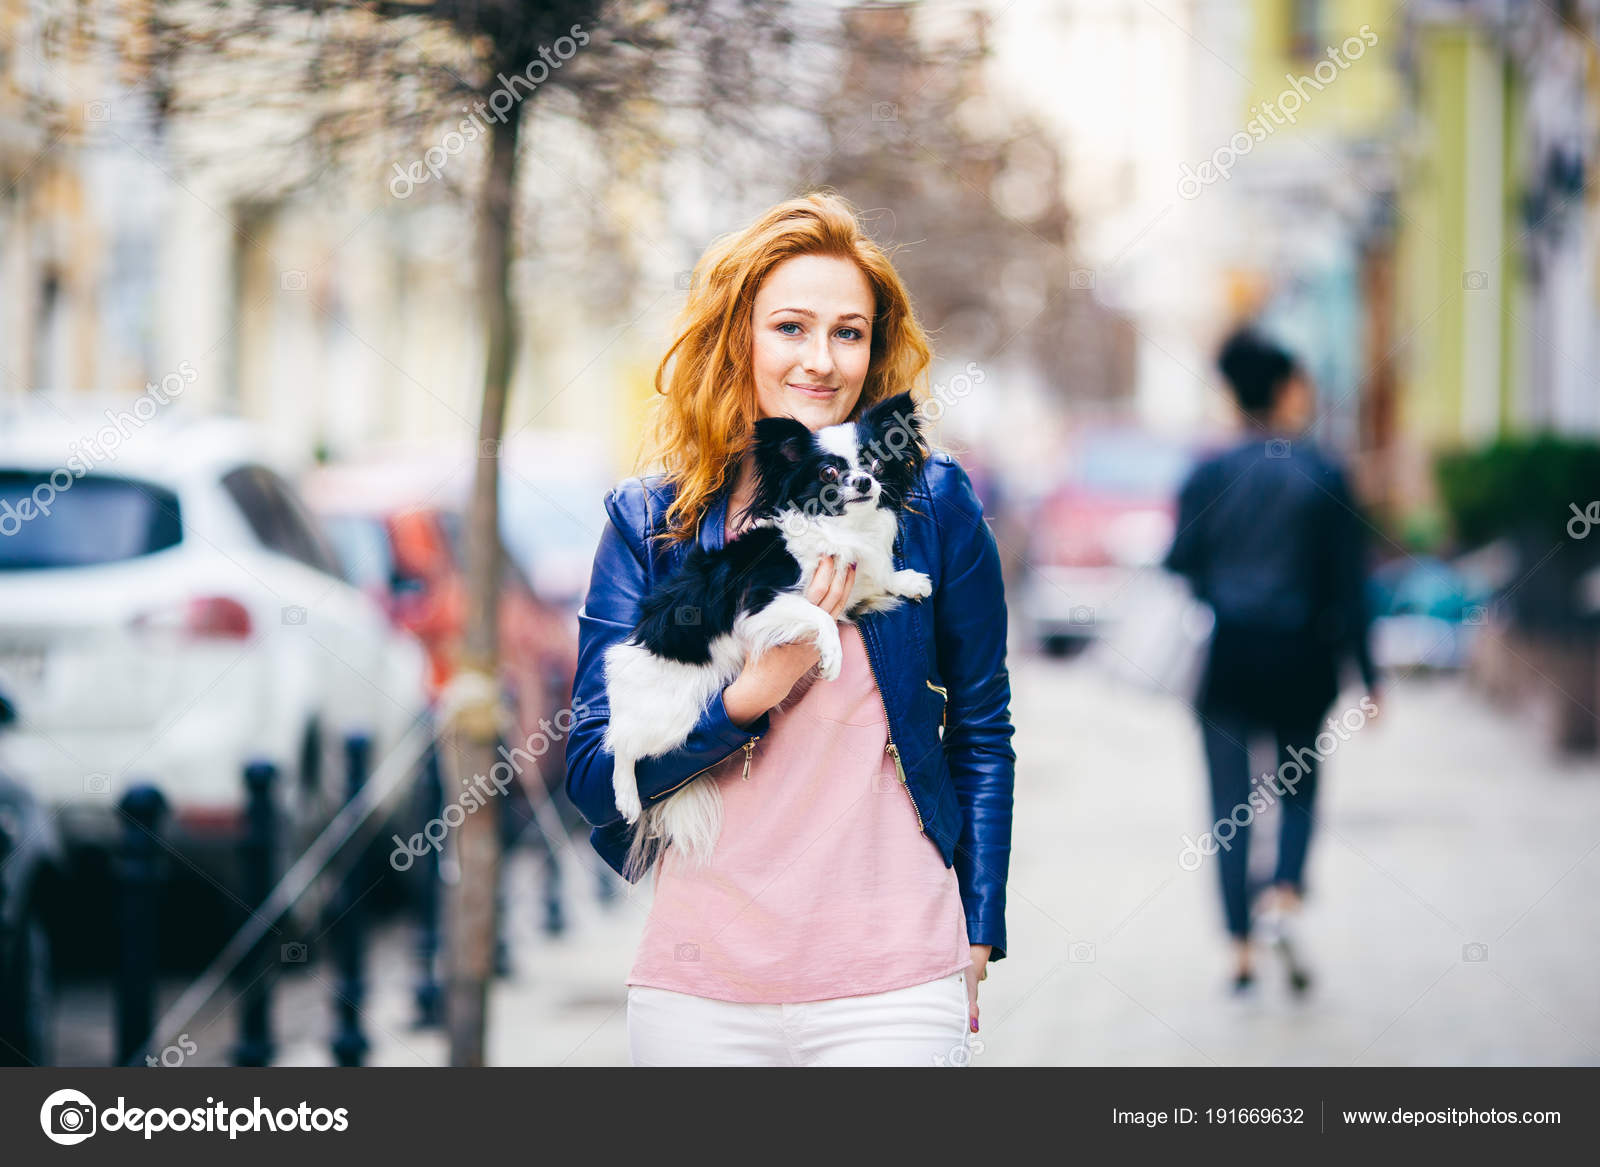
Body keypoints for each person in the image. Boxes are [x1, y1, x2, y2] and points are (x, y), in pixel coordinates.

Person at [563, 192, 1016, 1066]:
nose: (822, 359)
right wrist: (746, 699)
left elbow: (983, 726)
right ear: (740, 338)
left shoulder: (933, 504)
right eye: (791, 328)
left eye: (849, 332)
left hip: (893, 981)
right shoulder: (649, 521)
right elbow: (591, 774)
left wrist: (981, 923)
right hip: (702, 989)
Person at [1164, 327, 1379, 995]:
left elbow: (1181, 564)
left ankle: (1239, 952)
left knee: (1229, 803)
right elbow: (1352, 586)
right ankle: (1283, 891)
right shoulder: (1325, 472)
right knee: (1300, 786)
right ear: (1286, 389)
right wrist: (1370, 676)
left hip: (1227, 654)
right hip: (1304, 655)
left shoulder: (1207, 473)